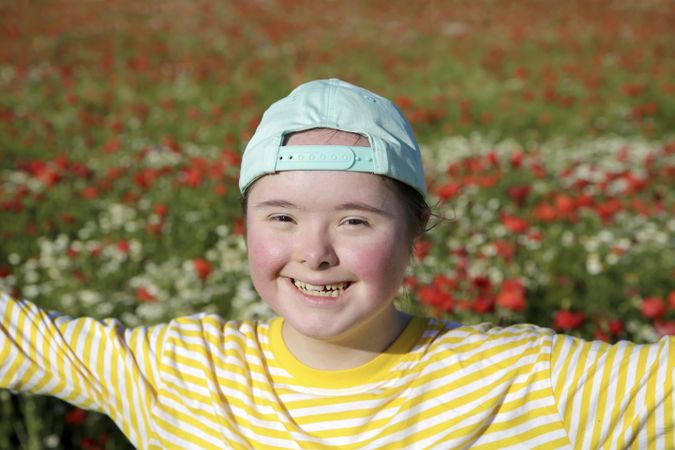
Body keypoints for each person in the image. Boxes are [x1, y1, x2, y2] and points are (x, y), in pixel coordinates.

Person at [1, 78, 673, 449]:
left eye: (354, 220)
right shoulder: (178, 370)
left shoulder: (522, 382)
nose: (314, 253)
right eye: (281, 217)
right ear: (243, 231)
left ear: (415, 235)